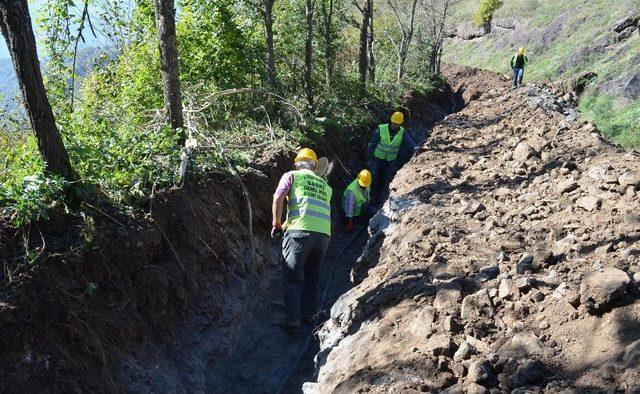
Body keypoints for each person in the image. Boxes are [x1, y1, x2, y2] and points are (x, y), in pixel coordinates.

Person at [271, 148, 332, 334]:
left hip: (299, 232)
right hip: (323, 236)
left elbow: (278, 196)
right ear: (314, 166)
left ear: (297, 163)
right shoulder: (325, 185)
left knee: (292, 278)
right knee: (312, 277)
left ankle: (292, 323)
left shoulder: (291, 176)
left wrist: (277, 223)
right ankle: (309, 316)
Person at [367, 111, 419, 203]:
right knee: (373, 177)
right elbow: (372, 144)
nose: (395, 125)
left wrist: (415, 147)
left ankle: (379, 198)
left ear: (400, 124)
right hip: (377, 158)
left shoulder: (402, 132)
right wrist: (369, 158)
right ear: (391, 121)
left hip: (389, 160)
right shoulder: (381, 128)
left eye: (397, 124)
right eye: (394, 123)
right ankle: (371, 197)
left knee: (383, 178)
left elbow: (409, 141)